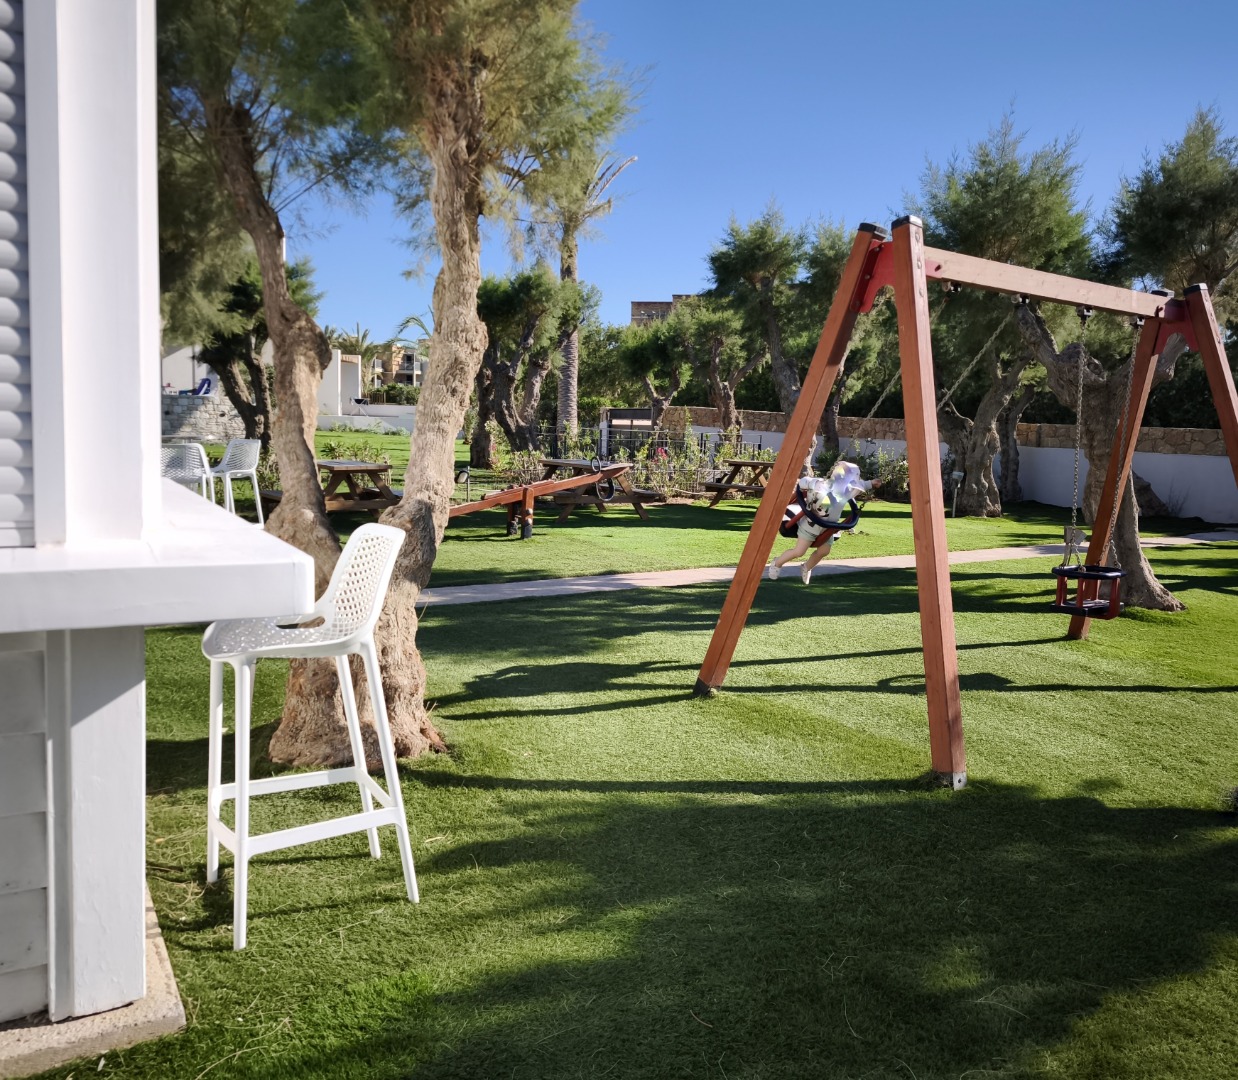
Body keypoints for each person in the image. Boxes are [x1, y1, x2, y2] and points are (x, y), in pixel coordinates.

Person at [767, 460, 880, 584]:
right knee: (799, 552)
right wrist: (813, 483)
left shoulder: (847, 491)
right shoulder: (821, 485)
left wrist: (872, 483)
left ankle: (806, 567)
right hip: (810, 526)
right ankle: (777, 563)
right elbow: (803, 482)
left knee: (824, 551)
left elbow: (862, 484)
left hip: (828, 528)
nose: (850, 489)